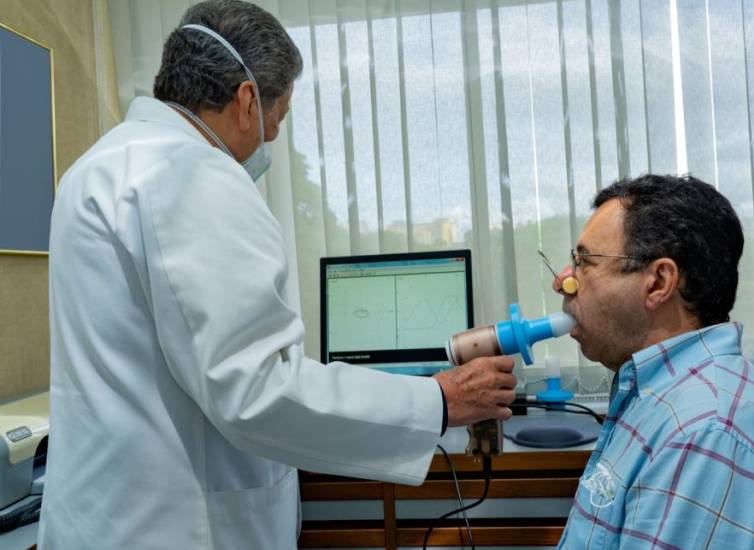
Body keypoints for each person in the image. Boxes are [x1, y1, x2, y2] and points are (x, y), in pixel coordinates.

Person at [37, 1, 515, 548]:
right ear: (245, 99)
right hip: (179, 527)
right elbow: (256, 389)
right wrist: (439, 400)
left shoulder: (96, 168)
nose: (271, 138)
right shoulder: (192, 174)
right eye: (278, 117)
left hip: (104, 517)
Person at [552, 174, 754, 549]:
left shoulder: (704, 435)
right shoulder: (660, 394)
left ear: (659, 282)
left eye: (584, 262)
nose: (563, 280)